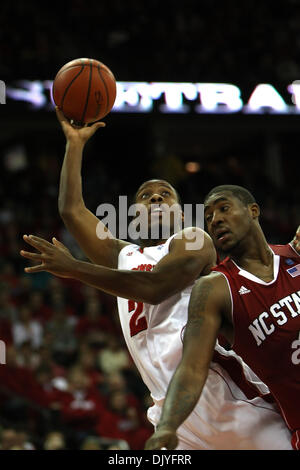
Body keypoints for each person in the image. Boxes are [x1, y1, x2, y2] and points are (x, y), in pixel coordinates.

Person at [19, 112, 294, 449]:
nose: (155, 199)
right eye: (146, 197)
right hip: (171, 409)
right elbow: (72, 210)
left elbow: (155, 287)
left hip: (227, 396)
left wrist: (76, 268)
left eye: (165, 194)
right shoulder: (122, 256)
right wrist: (74, 145)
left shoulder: (194, 239)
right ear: (135, 215)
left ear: (180, 213)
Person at [145, 185, 300, 450]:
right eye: (208, 217)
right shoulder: (216, 288)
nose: (215, 219)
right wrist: (169, 425)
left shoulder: (295, 254)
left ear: (253, 211)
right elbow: (192, 367)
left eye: (224, 208)